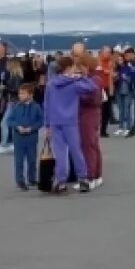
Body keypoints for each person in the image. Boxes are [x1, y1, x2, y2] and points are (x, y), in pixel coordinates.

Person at [43, 55, 97, 194]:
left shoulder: (51, 83)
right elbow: (92, 87)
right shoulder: (74, 83)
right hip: (70, 121)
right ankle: (83, 179)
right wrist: (81, 77)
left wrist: (47, 125)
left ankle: (60, 181)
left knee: (60, 152)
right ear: (69, 68)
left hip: (55, 121)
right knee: (76, 150)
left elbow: (46, 105)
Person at [4, 83, 44, 191]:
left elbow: (41, 121)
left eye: (23, 93)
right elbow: (9, 120)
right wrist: (17, 126)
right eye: (19, 93)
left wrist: (32, 128)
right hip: (19, 137)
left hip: (31, 137)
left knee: (32, 159)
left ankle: (32, 178)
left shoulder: (36, 107)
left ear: (30, 95)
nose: (20, 95)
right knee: (19, 160)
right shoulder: (16, 106)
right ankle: (20, 180)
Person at [78, 53, 105, 189]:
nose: (79, 69)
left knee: (87, 145)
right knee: (94, 145)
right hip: (93, 114)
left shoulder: (92, 80)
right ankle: (97, 175)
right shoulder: (96, 78)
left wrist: (78, 96)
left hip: (87, 114)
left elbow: (93, 99)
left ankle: (90, 176)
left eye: (81, 66)